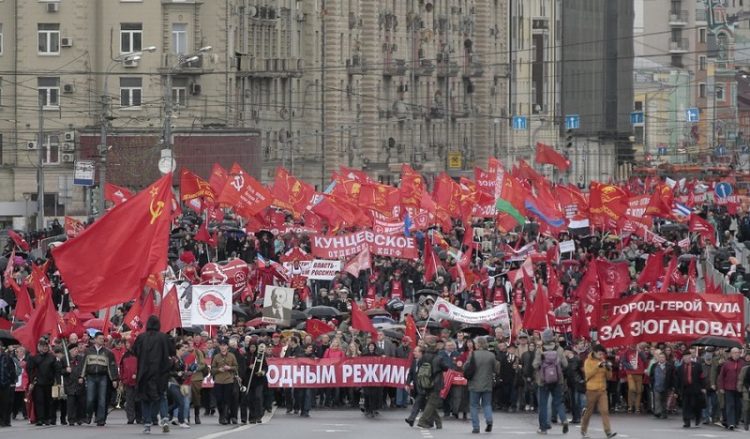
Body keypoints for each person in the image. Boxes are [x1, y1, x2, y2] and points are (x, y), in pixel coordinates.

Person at [133, 315, 173, 434]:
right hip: (160, 372)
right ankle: (165, 418)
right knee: (161, 396)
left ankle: (147, 425)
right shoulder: (163, 337)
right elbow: (172, 351)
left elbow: (135, 351)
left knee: (145, 399)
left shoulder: (141, 337)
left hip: (145, 372)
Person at [532, 329, 568, 435]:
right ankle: (564, 419)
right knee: (558, 402)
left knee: (543, 404)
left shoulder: (540, 349)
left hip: (543, 381)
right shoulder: (559, 349)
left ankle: (543, 428)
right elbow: (565, 364)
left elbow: (535, 364)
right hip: (557, 380)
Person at [80, 331, 119, 426]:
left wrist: (114, 379)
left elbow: (111, 366)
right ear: (95, 340)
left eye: (103, 338)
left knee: (102, 399)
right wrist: (81, 376)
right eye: (100, 338)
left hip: (103, 377)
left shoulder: (108, 353)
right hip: (90, 377)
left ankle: (100, 419)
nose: (102, 340)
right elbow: (83, 364)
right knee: (90, 399)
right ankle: (88, 416)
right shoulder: (88, 351)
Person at [581, 345, 617, 439]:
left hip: (602, 390)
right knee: (589, 412)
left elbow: (609, 377)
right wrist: (597, 366)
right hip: (591, 390)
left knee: (605, 411)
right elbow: (588, 374)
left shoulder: (603, 361)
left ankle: (608, 431)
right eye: (600, 354)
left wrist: (609, 369)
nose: (601, 356)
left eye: (603, 354)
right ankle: (583, 430)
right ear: (595, 352)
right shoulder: (588, 361)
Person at [465, 336, 498, 434]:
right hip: (487, 383)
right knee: (487, 404)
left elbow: (466, 366)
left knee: (474, 406)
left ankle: (476, 427)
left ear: (478, 344)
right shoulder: (491, 355)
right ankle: (489, 420)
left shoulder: (473, 354)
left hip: (474, 384)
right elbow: (496, 369)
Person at [417, 337, 450, 430]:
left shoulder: (423, 356)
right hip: (436, 382)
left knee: (431, 402)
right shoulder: (438, 357)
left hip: (425, 381)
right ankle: (423, 420)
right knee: (432, 402)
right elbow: (446, 368)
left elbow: (419, 366)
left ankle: (437, 422)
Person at [28, 339, 60, 426]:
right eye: (43, 346)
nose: (45, 348)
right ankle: (40, 419)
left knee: (48, 401)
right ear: (39, 347)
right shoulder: (35, 357)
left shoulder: (52, 357)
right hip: (38, 383)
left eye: (46, 346)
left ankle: (47, 418)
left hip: (49, 383)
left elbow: (57, 370)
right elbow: (31, 370)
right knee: (39, 401)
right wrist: (31, 382)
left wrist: (58, 382)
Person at [211, 337, 238, 425]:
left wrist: (229, 368)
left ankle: (224, 417)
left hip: (228, 380)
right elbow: (212, 369)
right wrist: (218, 370)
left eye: (224, 345)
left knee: (227, 400)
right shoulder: (216, 356)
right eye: (221, 345)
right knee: (219, 400)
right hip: (218, 381)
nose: (223, 347)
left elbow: (236, 367)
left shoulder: (231, 356)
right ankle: (221, 414)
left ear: (227, 347)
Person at [677, 348, 705, 428]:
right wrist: (677, 390)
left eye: (688, 356)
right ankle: (686, 421)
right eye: (685, 357)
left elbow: (701, 377)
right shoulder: (680, 368)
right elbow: (678, 380)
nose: (687, 358)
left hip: (695, 388)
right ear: (683, 358)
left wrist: (703, 387)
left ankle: (697, 417)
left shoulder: (697, 365)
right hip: (685, 389)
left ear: (690, 357)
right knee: (685, 405)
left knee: (695, 405)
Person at [719, 347, 745, 430]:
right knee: (730, 405)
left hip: (739, 388)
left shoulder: (743, 363)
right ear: (731, 353)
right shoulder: (726, 363)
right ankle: (731, 423)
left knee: (738, 406)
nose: (737, 354)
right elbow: (721, 376)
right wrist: (721, 387)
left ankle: (736, 421)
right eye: (735, 352)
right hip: (728, 388)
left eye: (738, 352)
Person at [62, 342, 85, 426]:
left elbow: (84, 369)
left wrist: (82, 377)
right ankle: (71, 419)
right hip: (69, 384)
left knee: (80, 402)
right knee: (71, 403)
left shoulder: (81, 358)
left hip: (79, 383)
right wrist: (65, 371)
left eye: (77, 349)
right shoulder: (65, 359)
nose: (76, 350)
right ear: (70, 351)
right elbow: (60, 371)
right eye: (74, 349)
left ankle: (79, 418)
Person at [648, 352, 675, 419]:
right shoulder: (654, 365)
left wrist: (672, 385)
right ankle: (657, 412)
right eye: (660, 357)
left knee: (664, 400)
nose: (661, 359)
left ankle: (664, 412)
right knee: (657, 399)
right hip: (656, 385)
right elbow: (651, 375)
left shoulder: (670, 366)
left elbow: (673, 376)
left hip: (666, 386)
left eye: (663, 357)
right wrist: (652, 382)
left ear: (665, 358)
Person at [405, 346, 426, 427]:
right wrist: (407, 384)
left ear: (421, 353)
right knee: (425, 406)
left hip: (423, 386)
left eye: (416, 351)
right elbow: (410, 374)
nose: (414, 353)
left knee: (417, 403)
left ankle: (411, 418)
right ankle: (436, 422)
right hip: (416, 386)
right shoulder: (414, 361)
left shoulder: (425, 361)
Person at [0, 341, 17, 427]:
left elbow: (12, 370)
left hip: (6, 383)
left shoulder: (7, 357)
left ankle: (5, 420)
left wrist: (13, 381)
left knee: (6, 403)